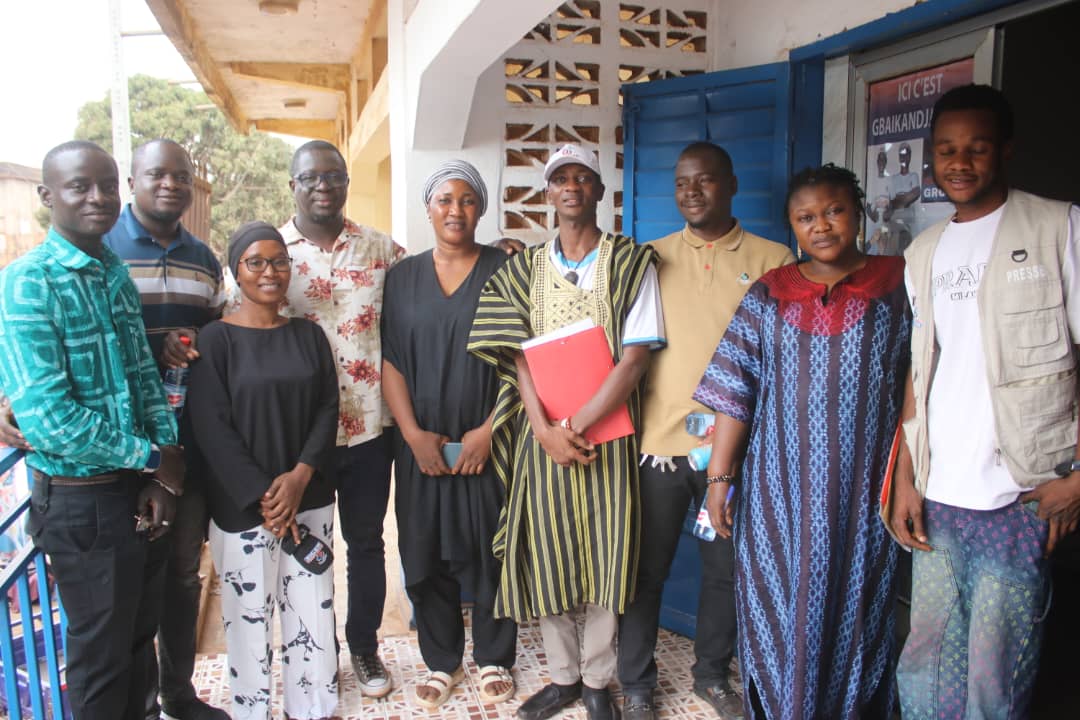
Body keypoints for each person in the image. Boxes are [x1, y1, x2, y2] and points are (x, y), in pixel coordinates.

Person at [889, 84, 1080, 720]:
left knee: (995, 670)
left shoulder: (1058, 226)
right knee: (927, 656)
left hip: (1019, 496)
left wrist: (1079, 477)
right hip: (940, 495)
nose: (960, 162)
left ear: (1006, 150)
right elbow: (920, 373)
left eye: (977, 148)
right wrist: (906, 480)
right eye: (947, 150)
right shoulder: (923, 251)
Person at [696, 164, 910, 719]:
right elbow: (735, 392)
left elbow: (923, 381)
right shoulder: (770, 293)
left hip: (867, 494)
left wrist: (909, 478)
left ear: (857, 213)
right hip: (778, 496)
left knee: (859, 612)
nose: (821, 225)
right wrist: (719, 480)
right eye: (806, 217)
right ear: (792, 226)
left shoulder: (899, 285)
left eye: (834, 211)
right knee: (781, 611)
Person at [468, 143, 665, 720]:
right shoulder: (524, 268)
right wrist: (543, 428)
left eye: (583, 177)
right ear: (548, 192)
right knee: (548, 553)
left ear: (600, 191)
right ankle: (563, 678)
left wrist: (574, 425)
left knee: (608, 555)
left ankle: (599, 681)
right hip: (543, 442)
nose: (571, 186)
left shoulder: (631, 262)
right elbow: (518, 357)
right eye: (560, 178)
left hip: (610, 437)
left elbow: (635, 359)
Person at [0, 140, 184, 719]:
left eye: (107, 185)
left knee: (137, 643)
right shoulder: (29, 282)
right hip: (82, 502)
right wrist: (151, 457)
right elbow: (50, 421)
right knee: (101, 662)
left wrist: (163, 470)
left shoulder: (112, 274)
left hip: (138, 491)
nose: (98, 197)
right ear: (47, 195)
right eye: (80, 186)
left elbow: (144, 378)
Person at [618, 142, 793, 720]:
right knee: (645, 572)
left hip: (734, 452)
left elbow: (780, 357)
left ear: (732, 184)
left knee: (725, 573)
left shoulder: (773, 259)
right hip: (660, 448)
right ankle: (636, 683)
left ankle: (713, 677)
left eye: (706, 180)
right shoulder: (650, 257)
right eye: (682, 182)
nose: (692, 191)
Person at [225, 140, 405, 696]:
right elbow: (228, 323)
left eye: (333, 175)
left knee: (367, 543)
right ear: (293, 185)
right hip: (301, 438)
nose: (323, 186)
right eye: (310, 177)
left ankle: (365, 649)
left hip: (370, 429)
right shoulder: (269, 255)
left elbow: (422, 305)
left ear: (347, 181)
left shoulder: (382, 250)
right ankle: (314, 656)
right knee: (302, 548)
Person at [188, 222, 340, 720]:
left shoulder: (308, 335)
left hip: (308, 499)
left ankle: (312, 708)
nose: (269, 271)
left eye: (278, 261)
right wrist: (265, 496)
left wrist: (299, 478)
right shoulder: (216, 340)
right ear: (236, 271)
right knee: (249, 620)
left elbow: (327, 408)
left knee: (312, 611)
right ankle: (253, 711)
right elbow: (211, 426)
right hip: (243, 507)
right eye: (255, 262)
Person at [381, 160, 517, 709]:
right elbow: (392, 361)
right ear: (428, 208)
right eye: (444, 200)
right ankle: (442, 661)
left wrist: (489, 429)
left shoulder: (505, 270)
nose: (455, 210)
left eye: (467, 200)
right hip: (422, 446)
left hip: (488, 443)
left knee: (491, 551)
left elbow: (521, 360)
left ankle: (494, 657)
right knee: (423, 551)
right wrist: (412, 434)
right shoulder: (402, 277)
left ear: (480, 209)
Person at [109, 139, 227, 720]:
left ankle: (178, 695)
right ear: (132, 179)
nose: (170, 184)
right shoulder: (101, 247)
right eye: (156, 174)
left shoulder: (203, 260)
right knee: (127, 585)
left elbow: (218, 336)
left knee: (183, 574)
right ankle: (138, 704)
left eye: (180, 176)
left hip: (185, 443)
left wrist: (197, 341)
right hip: (117, 447)